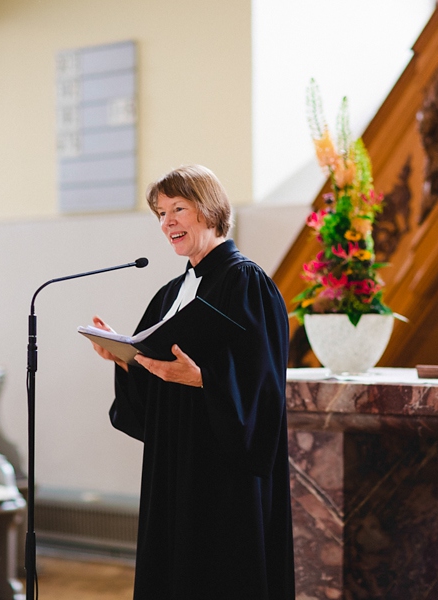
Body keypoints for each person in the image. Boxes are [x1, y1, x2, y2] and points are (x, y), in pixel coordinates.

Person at [89, 164, 295, 599]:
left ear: (209, 209)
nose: (167, 222)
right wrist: (124, 360)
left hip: (222, 473)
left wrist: (204, 380)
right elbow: (153, 382)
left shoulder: (247, 283)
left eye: (177, 209)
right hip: (175, 464)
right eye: (161, 214)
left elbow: (264, 385)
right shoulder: (171, 293)